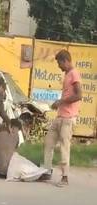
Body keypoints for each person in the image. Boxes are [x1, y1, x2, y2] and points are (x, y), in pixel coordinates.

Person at [41, 50, 82, 187]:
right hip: (60, 116)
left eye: (59, 63)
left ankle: (65, 177)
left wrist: (61, 102)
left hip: (68, 118)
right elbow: (67, 96)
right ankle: (47, 170)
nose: (59, 66)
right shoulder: (67, 74)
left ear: (65, 61)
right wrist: (59, 103)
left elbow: (78, 95)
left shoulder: (74, 73)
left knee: (64, 147)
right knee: (48, 142)